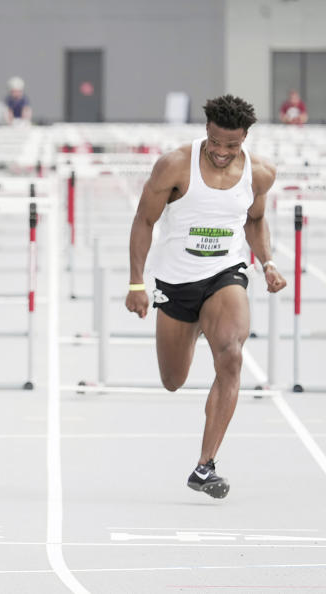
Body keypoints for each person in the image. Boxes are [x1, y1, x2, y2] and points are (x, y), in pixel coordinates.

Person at [125, 94, 287, 499]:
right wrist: (136, 283)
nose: (220, 151)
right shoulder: (175, 165)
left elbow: (255, 219)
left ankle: (205, 465)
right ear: (207, 132)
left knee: (231, 354)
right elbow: (144, 220)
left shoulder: (260, 172)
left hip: (225, 274)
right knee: (173, 380)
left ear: (245, 139)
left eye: (231, 145)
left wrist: (266, 262)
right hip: (176, 282)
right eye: (214, 141)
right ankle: (194, 328)